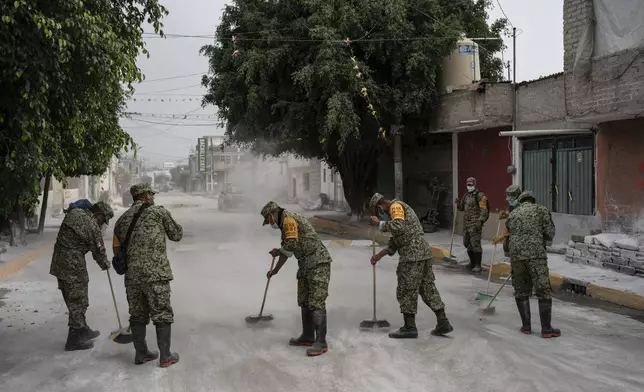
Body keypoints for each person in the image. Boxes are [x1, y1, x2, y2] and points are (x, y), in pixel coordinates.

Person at [113, 183, 183, 367]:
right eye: (151, 194)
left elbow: (117, 250)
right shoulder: (158, 212)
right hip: (156, 275)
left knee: (137, 314)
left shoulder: (122, 220)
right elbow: (176, 235)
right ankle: (166, 356)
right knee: (161, 313)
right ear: (146, 196)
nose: (153, 197)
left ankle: (141, 354)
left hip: (132, 277)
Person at [368, 193, 453, 339]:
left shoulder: (395, 207)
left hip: (412, 255)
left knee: (406, 289)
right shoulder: (397, 211)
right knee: (427, 288)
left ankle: (409, 327)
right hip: (422, 252)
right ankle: (443, 322)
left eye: (379, 212)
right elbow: (396, 241)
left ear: (380, 207)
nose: (381, 215)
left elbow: (399, 227)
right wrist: (379, 256)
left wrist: (379, 224)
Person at [261, 200, 332, 356]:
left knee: (316, 301)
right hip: (305, 265)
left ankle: (321, 342)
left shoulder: (288, 220)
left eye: (269, 219)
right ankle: (307, 336)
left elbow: (290, 245)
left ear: (273, 213)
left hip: (318, 262)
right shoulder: (284, 224)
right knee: (304, 300)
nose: (270, 223)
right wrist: (275, 270)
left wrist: (280, 251)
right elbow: (288, 250)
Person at [50, 201, 114, 351]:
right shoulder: (91, 225)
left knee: (71, 296)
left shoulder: (76, 213)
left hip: (59, 262)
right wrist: (105, 263)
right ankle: (74, 339)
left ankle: (82, 329)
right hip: (72, 265)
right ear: (98, 215)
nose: (102, 224)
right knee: (78, 300)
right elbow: (98, 250)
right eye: (103, 220)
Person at [504, 191, 560, 338]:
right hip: (536, 255)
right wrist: (544, 240)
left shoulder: (513, 214)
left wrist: (509, 251)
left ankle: (526, 327)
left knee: (521, 290)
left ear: (521, 200)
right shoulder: (541, 210)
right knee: (543, 289)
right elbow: (549, 232)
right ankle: (546, 329)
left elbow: (508, 235)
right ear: (532, 200)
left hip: (516, 256)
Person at [456, 177, 489, 272]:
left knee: (475, 244)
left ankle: (478, 265)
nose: (469, 186)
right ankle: (472, 262)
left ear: (474, 185)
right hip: (466, 224)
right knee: (466, 243)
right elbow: (461, 208)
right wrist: (458, 203)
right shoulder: (466, 195)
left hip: (475, 224)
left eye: (471, 185)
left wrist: (480, 221)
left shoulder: (479, 195)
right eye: (468, 185)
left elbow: (484, 210)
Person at [494, 185, 522, 257]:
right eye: (509, 200)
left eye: (512, 200)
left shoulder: (523, 208)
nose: (510, 201)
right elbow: (510, 213)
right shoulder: (513, 205)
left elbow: (517, 228)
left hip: (520, 240)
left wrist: (502, 237)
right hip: (511, 238)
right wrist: (505, 214)